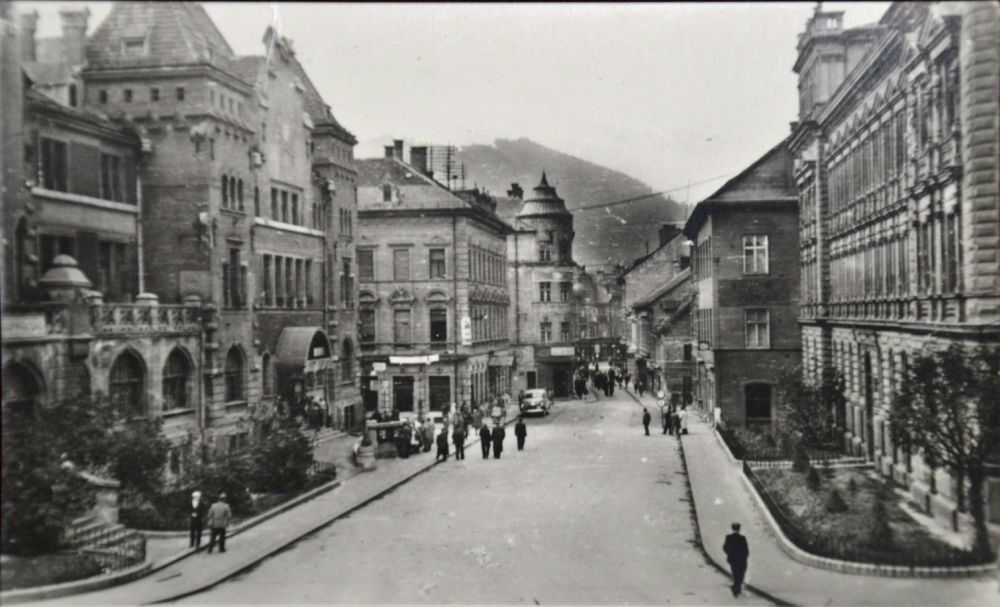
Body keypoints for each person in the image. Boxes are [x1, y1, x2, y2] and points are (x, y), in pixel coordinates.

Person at [723, 522, 750, 597]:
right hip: (742, 560)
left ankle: (736, 588)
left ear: (732, 528)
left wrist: (730, 554)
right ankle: (736, 588)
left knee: (735, 574)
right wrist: (744, 556)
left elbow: (725, 548)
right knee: (740, 575)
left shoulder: (729, 537)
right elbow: (746, 550)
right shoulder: (742, 538)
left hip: (733, 560)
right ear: (739, 529)